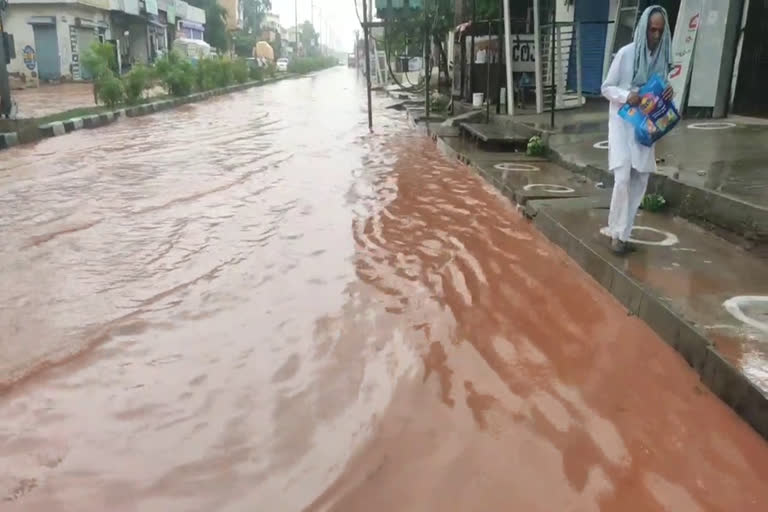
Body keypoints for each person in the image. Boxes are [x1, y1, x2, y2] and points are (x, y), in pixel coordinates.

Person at [601, 6, 674, 255]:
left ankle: (622, 233)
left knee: (640, 178)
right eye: (652, 30)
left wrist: (667, 92)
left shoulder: (662, 57)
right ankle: (616, 233)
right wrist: (626, 95)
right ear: (644, 28)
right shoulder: (626, 54)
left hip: (646, 126)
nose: (655, 35)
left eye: (660, 31)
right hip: (622, 124)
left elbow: (662, 86)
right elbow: (606, 87)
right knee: (622, 178)